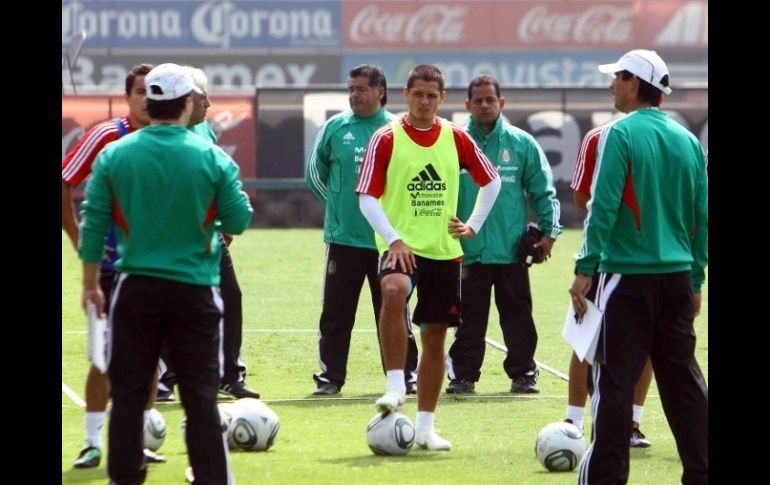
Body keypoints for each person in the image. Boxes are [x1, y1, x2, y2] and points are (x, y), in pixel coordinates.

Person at [79, 63, 251, 484]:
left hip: (133, 288)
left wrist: (88, 284)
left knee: (130, 395)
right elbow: (240, 218)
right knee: (199, 397)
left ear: (150, 103)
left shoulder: (115, 155)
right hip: (194, 290)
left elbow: (93, 222)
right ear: (188, 102)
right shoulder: (212, 157)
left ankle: (125, 477)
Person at [569, 50, 708, 484]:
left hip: (626, 276)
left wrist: (584, 266)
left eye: (617, 77)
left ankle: (605, 478)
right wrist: (696, 278)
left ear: (634, 82)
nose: (611, 85)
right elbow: (701, 216)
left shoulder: (619, 134)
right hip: (677, 278)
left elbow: (602, 205)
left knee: (614, 381)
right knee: (683, 380)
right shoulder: (688, 141)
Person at [356, 64, 501, 451]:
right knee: (391, 288)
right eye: (418, 94)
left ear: (443, 98)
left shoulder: (456, 138)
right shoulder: (386, 138)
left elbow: (493, 181)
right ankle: (394, 384)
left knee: (435, 338)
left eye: (431, 95)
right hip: (400, 246)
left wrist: (472, 225)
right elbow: (366, 196)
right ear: (406, 94)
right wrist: (394, 239)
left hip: (443, 252)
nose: (424, 101)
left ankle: (425, 429)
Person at [61, 63, 167, 468]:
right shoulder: (107, 136)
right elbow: (66, 177)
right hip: (107, 268)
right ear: (127, 98)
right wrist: (76, 237)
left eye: (152, 91)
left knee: (151, 357)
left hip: (153, 267)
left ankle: (137, 438)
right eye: (139, 91)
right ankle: (91, 441)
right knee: (104, 357)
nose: (146, 98)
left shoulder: (174, 137)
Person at [305, 64, 419, 396]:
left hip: (389, 242)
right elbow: (315, 175)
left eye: (361, 89)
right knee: (336, 314)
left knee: (395, 310)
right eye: (351, 89)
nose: (354, 95)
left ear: (380, 92)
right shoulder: (335, 128)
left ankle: (403, 375)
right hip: (344, 240)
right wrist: (340, 209)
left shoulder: (400, 129)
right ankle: (330, 378)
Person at [445, 74, 561, 395]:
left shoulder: (521, 143)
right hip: (468, 249)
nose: (484, 105)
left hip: (511, 250)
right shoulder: (453, 142)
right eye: (477, 100)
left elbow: (543, 191)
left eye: (490, 99)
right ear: (467, 104)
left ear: (501, 103)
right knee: (468, 319)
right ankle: (463, 376)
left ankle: (524, 373)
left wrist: (549, 232)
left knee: (518, 316)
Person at [156, 66, 260, 402]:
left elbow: (225, 195)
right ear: (186, 100)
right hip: (170, 242)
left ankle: (229, 375)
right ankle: (168, 375)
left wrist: (224, 225)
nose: (210, 104)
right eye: (203, 97)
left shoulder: (205, 132)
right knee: (171, 307)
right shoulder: (152, 140)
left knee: (231, 297)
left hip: (208, 239)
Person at [567, 124, 655, 448]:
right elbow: (581, 196)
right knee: (586, 339)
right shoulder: (597, 137)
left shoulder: (665, 137)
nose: (612, 85)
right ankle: (573, 422)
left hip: (641, 260)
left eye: (618, 78)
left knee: (647, 344)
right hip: (608, 258)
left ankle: (631, 423)